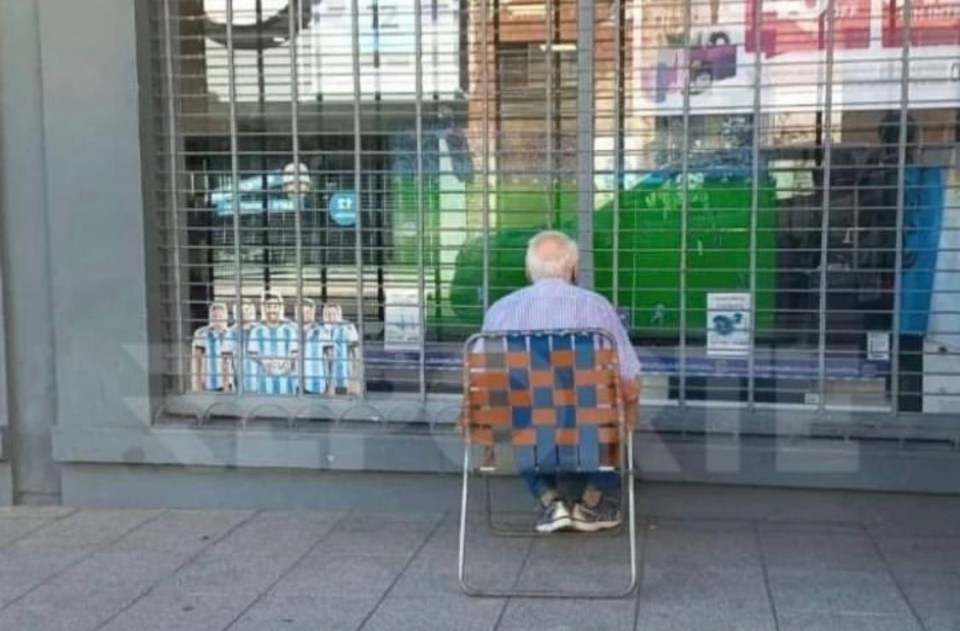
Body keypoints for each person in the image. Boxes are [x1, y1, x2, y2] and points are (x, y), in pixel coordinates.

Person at [481, 230, 641, 533]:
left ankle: (548, 499)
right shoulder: (596, 308)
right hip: (589, 431)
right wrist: (629, 414)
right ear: (574, 268)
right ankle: (592, 501)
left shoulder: (500, 311)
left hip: (524, 431)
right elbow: (629, 381)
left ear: (529, 270)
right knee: (619, 407)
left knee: (511, 409)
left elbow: (486, 385)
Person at [248, 291, 299, 395]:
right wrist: (265, 364)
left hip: (286, 385)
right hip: (264, 385)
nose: (272, 310)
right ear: (264, 308)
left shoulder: (290, 330)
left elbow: (294, 353)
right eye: (269, 306)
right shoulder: (256, 331)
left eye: (275, 306)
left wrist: (286, 367)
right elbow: (253, 353)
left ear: (280, 308)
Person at [191, 302, 232, 392]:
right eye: (215, 316)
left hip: (229, 385)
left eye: (220, 316)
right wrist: (197, 385)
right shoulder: (202, 334)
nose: (218, 319)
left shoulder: (231, 334)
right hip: (208, 385)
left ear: (226, 317)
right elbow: (197, 360)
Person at [299, 298, 331, 395]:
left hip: (317, 385)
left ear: (313, 312)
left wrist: (331, 384)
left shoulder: (322, 332)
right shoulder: (292, 331)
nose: (305, 314)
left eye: (308, 312)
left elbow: (331, 359)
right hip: (296, 385)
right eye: (302, 312)